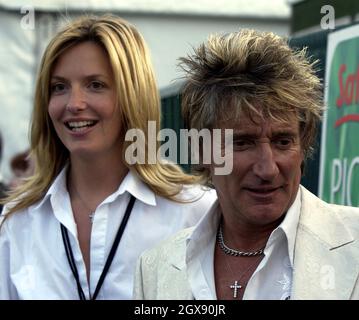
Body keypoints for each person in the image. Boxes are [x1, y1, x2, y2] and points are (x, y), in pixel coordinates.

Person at [0, 15, 216, 300]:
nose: (74, 104)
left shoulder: (197, 211)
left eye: (96, 85)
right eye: (59, 87)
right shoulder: (18, 219)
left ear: (132, 95)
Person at [133, 29, 359, 300]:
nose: (267, 169)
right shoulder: (154, 270)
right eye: (242, 143)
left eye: (283, 141)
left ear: (303, 144)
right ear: (202, 151)